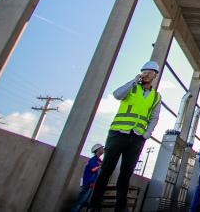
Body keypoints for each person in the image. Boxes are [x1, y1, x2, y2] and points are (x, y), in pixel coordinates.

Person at [89, 61, 162, 211]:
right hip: (118, 134)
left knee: (126, 173)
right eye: (145, 72)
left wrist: (146, 134)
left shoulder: (155, 96)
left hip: (137, 138)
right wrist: (134, 80)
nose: (147, 74)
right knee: (106, 170)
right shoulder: (132, 88)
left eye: (150, 72)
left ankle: (120, 207)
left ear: (155, 75)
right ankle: (94, 204)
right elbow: (117, 94)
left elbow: (154, 117)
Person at [69, 143, 104, 212]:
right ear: (97, 150)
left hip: (92, 183)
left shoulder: (98, 160)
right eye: (101, 148)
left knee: (84, 201)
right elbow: (93, 169)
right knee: (80, 201)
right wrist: (100, 166)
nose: (103, 150)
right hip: (88, 183)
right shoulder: (93, 160)